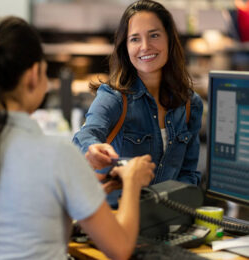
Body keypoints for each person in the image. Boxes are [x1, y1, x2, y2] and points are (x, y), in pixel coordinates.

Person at [0, 16, 155, 259]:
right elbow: (121, 248)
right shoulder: (59, 155)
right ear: (34, 74)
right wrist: (132, 183)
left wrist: (85, 193)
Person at [73, 0, 203, 208]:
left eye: (154, 35)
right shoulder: (114, 96)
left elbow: (188, 173)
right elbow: (86, 134)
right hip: (117, 218)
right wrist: (93, 149)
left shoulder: (190, 104)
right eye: (135, 39)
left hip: (167, 221)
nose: (145, 46)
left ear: (169, 39)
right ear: (125, 47)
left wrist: (181, 212)